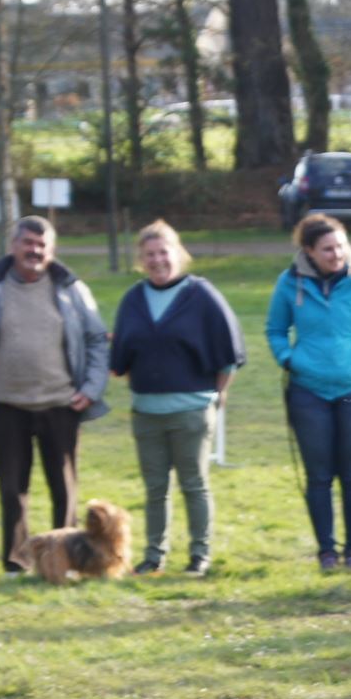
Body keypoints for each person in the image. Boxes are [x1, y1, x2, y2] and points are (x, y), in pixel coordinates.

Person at [0, 216, 110, 575]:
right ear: (13, 246)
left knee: (64, 493)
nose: (34, 250)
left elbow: (98, 338)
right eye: (27, 243)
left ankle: (63, 564)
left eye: (42, 245)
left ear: (52, 250)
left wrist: (91, 389)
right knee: (11, 491)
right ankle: (15, 565)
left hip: (62, 405)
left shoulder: (71, 289)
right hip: (5, 407)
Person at [109, 220, 245, 577]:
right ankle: (154, 556)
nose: (157, 260)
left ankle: (199, 555)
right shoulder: (134, 300)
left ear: (178, 253)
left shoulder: (201, 295)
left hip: (191, 412)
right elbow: (119, 361)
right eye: (149, 254)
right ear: (141, 259)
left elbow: (229, 353)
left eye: (163, 252)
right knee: (155, 489)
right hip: (146, 413)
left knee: (193, 484)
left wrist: (219, 395)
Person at [265, 213, 351, 571]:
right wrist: (288, 359)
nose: (336, 253)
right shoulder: (289, 283)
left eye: (340, 245)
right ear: (308, 251)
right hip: (307, 391)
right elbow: (275, 328)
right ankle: (327, 551)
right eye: (327, 248)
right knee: (319, 475)